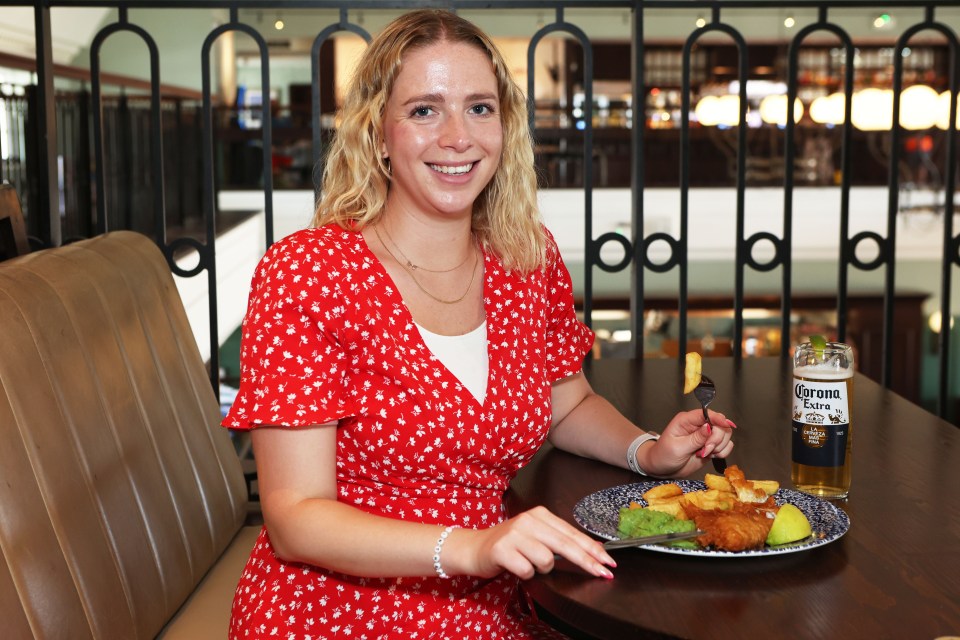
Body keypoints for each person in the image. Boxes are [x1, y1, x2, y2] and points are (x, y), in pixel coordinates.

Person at [222, 9, 735, 639]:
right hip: (337, 610)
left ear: (506, 127)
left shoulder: (526, 255)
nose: (458, 137)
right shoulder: (310, 272)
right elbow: (295, 519)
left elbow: (565, 401)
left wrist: (647, 451)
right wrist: (470, 547)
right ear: (378, 132)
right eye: (424, 110)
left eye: (479, 108)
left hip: (496, 596)